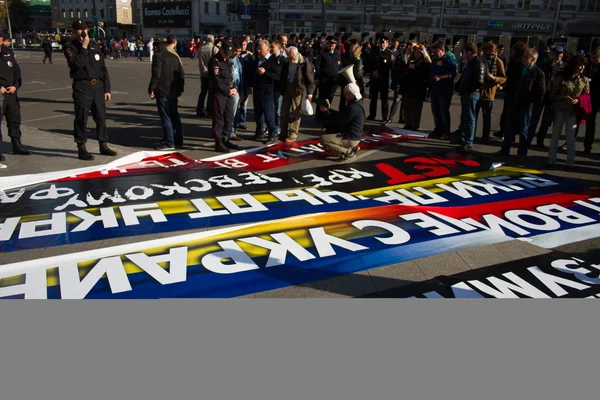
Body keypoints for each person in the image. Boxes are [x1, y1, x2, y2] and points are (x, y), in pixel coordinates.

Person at [64, 20, 117, 161]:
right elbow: (76, 64)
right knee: (81, 117)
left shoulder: (94, 46)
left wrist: (107, 88)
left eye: (84, 29)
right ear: (74, 31)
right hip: (82, 86)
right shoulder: (70, 47)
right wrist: (84, 47)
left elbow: (103, 69)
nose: (83, 32)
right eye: (80, 29)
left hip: (98, 86)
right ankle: (81, 146)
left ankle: (103, 144)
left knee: (101, 117)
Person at [497, 48, 545, 163]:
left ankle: (522, 152)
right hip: (513, 102)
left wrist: (531, 102)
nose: (523, 59)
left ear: (532, 59)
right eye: (523, 56)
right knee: (509, 127)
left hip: (525, 105)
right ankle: (505, 149)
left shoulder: (538, 73)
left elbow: (540, 92)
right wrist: (504, 89)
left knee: (524, 129)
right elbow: (510, 82)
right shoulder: (518, 68)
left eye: (526, 57)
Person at [547, 55, 589, 171]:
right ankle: (551, 160)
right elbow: (553, 95)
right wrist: (563, 97)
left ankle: (570, 163)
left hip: (573, 112)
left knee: (570, 138)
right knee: (555, 135)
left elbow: (586, 95)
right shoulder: (562, 78)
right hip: (560, 109)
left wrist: (579, 100)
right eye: (580, 65)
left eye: (583, 65)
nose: (582, 68)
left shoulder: (584, 80)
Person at [148, 36, 185, 151]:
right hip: (173, 90)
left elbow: (156, 74)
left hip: (163, 89)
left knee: (165, 116)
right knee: (174, 115)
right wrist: (180, 89)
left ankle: (169, 142)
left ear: (155, 47)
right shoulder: (174, 56)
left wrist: (151, 88)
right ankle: (178, 140)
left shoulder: (158, 56)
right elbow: (181, 74)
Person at [0, 34, 32, 162]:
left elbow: (17, 71)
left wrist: (15, 86)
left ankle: (16, 145)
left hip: (11, 92)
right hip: (0, 91)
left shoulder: (8, 52)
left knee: (14, 119)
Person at [318, 83, 365, 161]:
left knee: (323, 139)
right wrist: (328, 109)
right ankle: (351, 148)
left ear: (352, 94)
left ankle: (348, 151)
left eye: (345, 94)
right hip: (353, 135)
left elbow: (339, 120)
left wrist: (326, 112)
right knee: (330, 130)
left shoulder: (353, 107)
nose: (344, 96)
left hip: (351, 138)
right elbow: (341, 115)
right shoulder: (356, 103)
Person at [279, 46, 315, 143]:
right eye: (289, 57)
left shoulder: (303, 63)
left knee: (296, 112)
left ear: (296, 55)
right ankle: (283, 132)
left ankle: (293, 134)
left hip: (298, 89)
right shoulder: (287, 61)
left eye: (292, 58)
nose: (291, 59)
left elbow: (309, 78)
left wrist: (310, 92)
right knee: (284, 112)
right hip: (287, 87)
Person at [249, 40, 282, 144]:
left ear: (267, 50)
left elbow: (277, 77)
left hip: (267, 91)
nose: (259, 50)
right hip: (257, 89)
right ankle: (259, 132)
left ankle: (272, 134)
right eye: (258, 48)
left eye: (261, 49)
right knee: (258, 114)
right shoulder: (257, 59)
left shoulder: (273, 61)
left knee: (269, 114)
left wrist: (265, 73)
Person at [210, 41, 239, 153]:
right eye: (225, 52)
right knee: (219, 119)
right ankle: (218, 142)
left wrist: (233, 88)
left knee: (229, 116)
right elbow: (217, 81)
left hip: (228, 92)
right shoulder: (215, 61)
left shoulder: (227, 60)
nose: (227, 55)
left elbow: (230, 76)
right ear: (221, 50)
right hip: (219, 93)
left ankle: (225, 138)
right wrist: (228, 90)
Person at [475, 42, 506, 144]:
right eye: (487, 52)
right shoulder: (481, 60)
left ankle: (485, 137)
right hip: (478, 91)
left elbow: (504, 78)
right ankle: (472, 135)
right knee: (473, 115)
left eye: (492, 53)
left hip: (489, 93)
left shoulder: (498, 62)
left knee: (486, 116)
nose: (489, 55)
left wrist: (494, 78)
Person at [456, 43, 485, 150]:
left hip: (472, 94)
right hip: (466, 93)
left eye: (464, 52)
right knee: (464, 117)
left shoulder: (478, 63)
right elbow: (464, 76)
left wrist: (467, 88)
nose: (463, 54)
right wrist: (459, 85)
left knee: (470, 118)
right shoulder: (471, 62)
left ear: (469, 52)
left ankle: (468, 141)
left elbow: (479, 81)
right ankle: (463, 139)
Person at [429, 41, 457, 139]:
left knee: (443, 111)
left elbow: (452, 74)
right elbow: (431, 71)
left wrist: (441, 77)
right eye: (433, 52)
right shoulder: (434, 60)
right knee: (435, 111)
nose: (435, 54)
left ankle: (446, 131)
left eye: (436, 52)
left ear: (442, 50)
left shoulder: (449, 59)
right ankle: (438, 129)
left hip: (445, 90)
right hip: (435, 89)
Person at [401, 45, 432, 131]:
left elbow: (425, 73)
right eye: (415, 52)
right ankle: (408, 123)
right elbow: (403, 71)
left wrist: (416, 68)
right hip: (408, 88)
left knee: (416, 108)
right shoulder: (411, 61)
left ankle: (415, 124)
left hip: (418, 88)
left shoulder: (425, 63)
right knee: (407, 107)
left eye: (419, 53)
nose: (417, 54)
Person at [366, 36, 394, 122]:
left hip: (383, 79)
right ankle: (372, 114)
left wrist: (379, 72)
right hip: (374, 78)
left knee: (384, 99)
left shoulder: (389, 53)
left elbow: (389, 66)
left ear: (387, 44)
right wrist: (373, 71)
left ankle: (385, 117)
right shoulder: (374, 52)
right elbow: (369, 63)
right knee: (373, 97)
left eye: (384, 43)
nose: (382, 44)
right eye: (381, 43)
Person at [197, 35, 219, 117]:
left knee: (203, 92)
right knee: (211, 92)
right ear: (213, 41)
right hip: (211, 73)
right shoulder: (214, 49)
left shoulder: (201, 48)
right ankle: (209, 110)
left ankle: (199, 109)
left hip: (203, 73)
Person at [583, 48, 600, 154]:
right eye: (592, 57)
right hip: (589, 97)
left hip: (598, 95)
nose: (593, 60)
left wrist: (592, 81)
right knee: (589, 122)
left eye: (595, 58)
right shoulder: (589, 66)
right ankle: (587, 146)